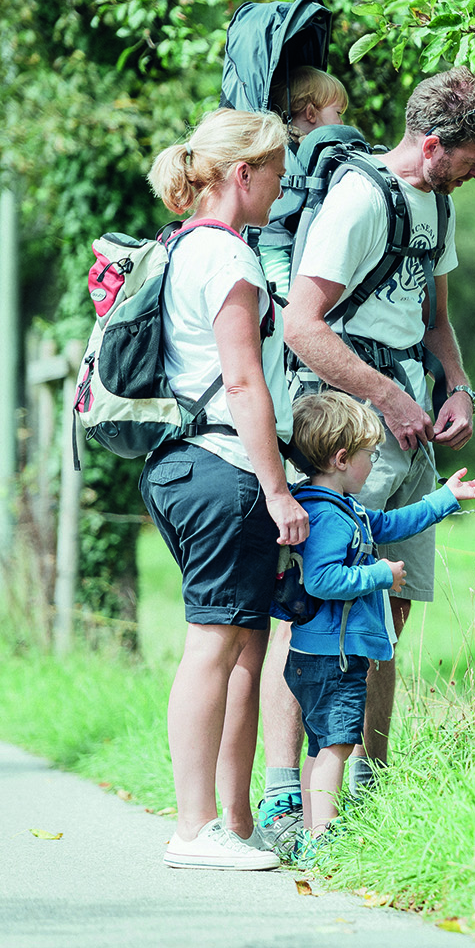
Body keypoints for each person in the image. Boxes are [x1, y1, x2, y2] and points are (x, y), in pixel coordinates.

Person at [255, 68, 475, 855]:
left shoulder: (440, 202)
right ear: (432, 143)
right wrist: (388, 400)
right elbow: (303, 325)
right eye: (473, 157)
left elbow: (435, 320)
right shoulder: (361, 199)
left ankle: (369, 789)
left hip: (407, 425)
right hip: (344, 424)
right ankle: (283, 796)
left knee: (387, 614)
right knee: (315, 617)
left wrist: (459, 389)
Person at [142, 108, 309, 871]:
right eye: (276, 172)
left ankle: (227, 822)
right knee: (214, 643)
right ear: (243, 174)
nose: (283, 186)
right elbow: (243, 382)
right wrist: (278, 490)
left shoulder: (183, 248)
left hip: (183, 466)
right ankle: (193, 827)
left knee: (240, 641)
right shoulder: (232, 261)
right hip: (224, 471)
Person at [280, 391, 475, 852]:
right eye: (368, 456)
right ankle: (325, 841)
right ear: (340, 459)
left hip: (320, 654)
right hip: (333, 657)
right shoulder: (328, 517)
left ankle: (312, 836)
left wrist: (446, 498)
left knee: (321, 748)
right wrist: (380, 574)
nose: (373, 464)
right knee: (336, 746)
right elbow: (321, 579)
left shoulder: (339, 508)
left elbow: (390, 526)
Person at [259, 66, 351, 296]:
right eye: (338, 113)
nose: (341, 123)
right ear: (311, 113)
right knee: (284, 299)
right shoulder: (279, 147)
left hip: (293, 243)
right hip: (272, 245)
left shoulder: (306, 148)